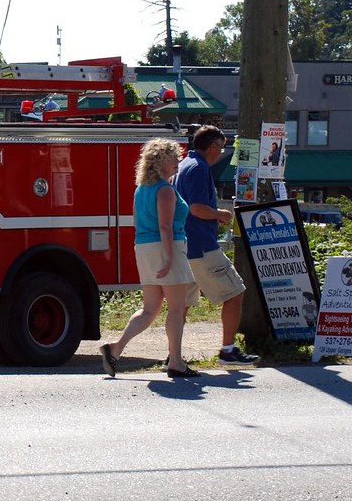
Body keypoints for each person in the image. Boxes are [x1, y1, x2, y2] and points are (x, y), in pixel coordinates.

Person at [99, 138, 198, 379]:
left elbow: (139, 223)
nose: (178, 162)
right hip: (167, 247)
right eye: (174, 158)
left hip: (143, 247)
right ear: (162, 161)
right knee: (175, 309)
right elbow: (165, 226)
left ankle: (115, 349)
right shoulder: (164, 190)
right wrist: (168, 258)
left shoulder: (141, 189)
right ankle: (176, 361)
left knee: (149, 309)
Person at [175, 125, 259, 365]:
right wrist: (219, 214)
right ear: (211, 146)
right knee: (235, 292)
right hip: (202, 245)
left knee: (182, 304)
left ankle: (174, 355)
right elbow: (197, 208)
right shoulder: (200, 169)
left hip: (184, 246)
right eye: (221, 148)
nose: (221, 153)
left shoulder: (183, 165)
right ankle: (228, 350)